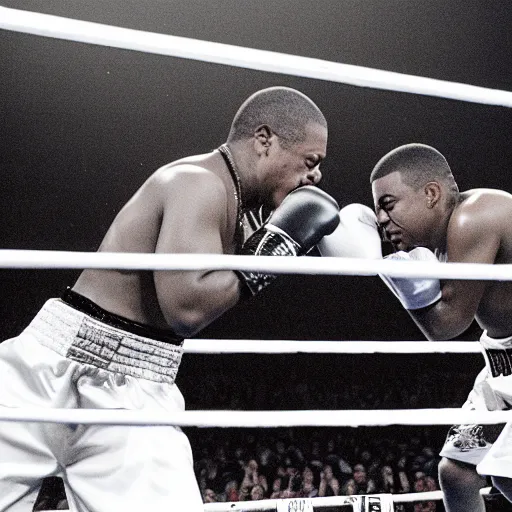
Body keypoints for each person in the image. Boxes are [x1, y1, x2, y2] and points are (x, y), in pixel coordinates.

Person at [0, 86, 340, 512]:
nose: (316, 177)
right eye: (311, 161)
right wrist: (273, 250)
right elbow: (187, 306)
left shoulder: (234, 203)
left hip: (134, 384)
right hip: (51, 370)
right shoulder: (197, 183)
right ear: (264, 140)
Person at [368, 143, 512, 512]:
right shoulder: (443, 242)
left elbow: (446, 325)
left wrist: (394, 273)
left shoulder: (472, 218)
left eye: (388, 205)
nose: (381, 220)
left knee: (500, 474)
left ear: (431, 194)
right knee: (457, 473)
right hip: (501, 364)